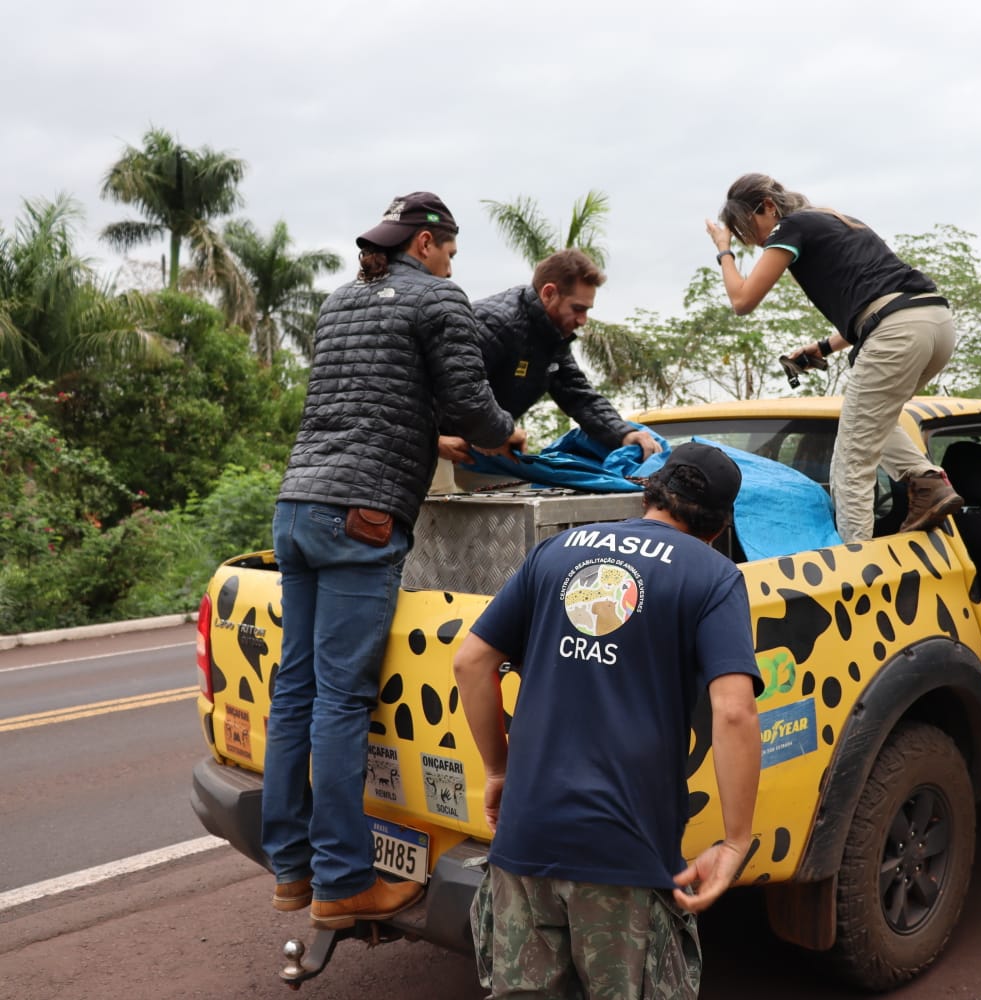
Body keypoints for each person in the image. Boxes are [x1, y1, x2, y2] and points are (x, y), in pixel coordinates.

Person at [264, 192, 519, 929]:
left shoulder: (342, 301)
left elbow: (369, 400)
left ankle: (293, 868)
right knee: (342, 700)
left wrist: (432, 434)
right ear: (429, 243)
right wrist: (506, 432)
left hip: (298, 505)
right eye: (451, 249)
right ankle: (344, 882)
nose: (452, 262)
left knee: (297, 692)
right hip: (362, 519)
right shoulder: (440, 299)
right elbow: (471, 405)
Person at [453, 442, 762, 999]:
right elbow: (734, 710)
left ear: (648, 493)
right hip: (626, 849)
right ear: (718, 526)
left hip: (525, 840)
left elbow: (471, 660)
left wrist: (500, 771)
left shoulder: (556, 550)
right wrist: (736, 841)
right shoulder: (713, 576)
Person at [706, 173, 962, 542]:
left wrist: (724, 249)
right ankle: (927, 482)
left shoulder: (790, 226)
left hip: (897, 330)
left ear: (767, 206)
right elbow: (876, 297)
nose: (758, 241)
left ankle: (855, 567)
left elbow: (742, 300)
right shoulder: (836, 220)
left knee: (851, 463)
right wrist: (822, 348)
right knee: (875, 418)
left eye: (752, 229)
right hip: (935, 323)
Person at [437, 248, 661, 468]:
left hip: (484, 447)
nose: (583, 320)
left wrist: (624, 433)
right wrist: (436, 441)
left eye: (587, 310)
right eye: (577, 308)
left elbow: (578, 395)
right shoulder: (495, 323)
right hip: (432, 446)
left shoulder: (550, 337)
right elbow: (446, 387)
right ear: (548, 293)